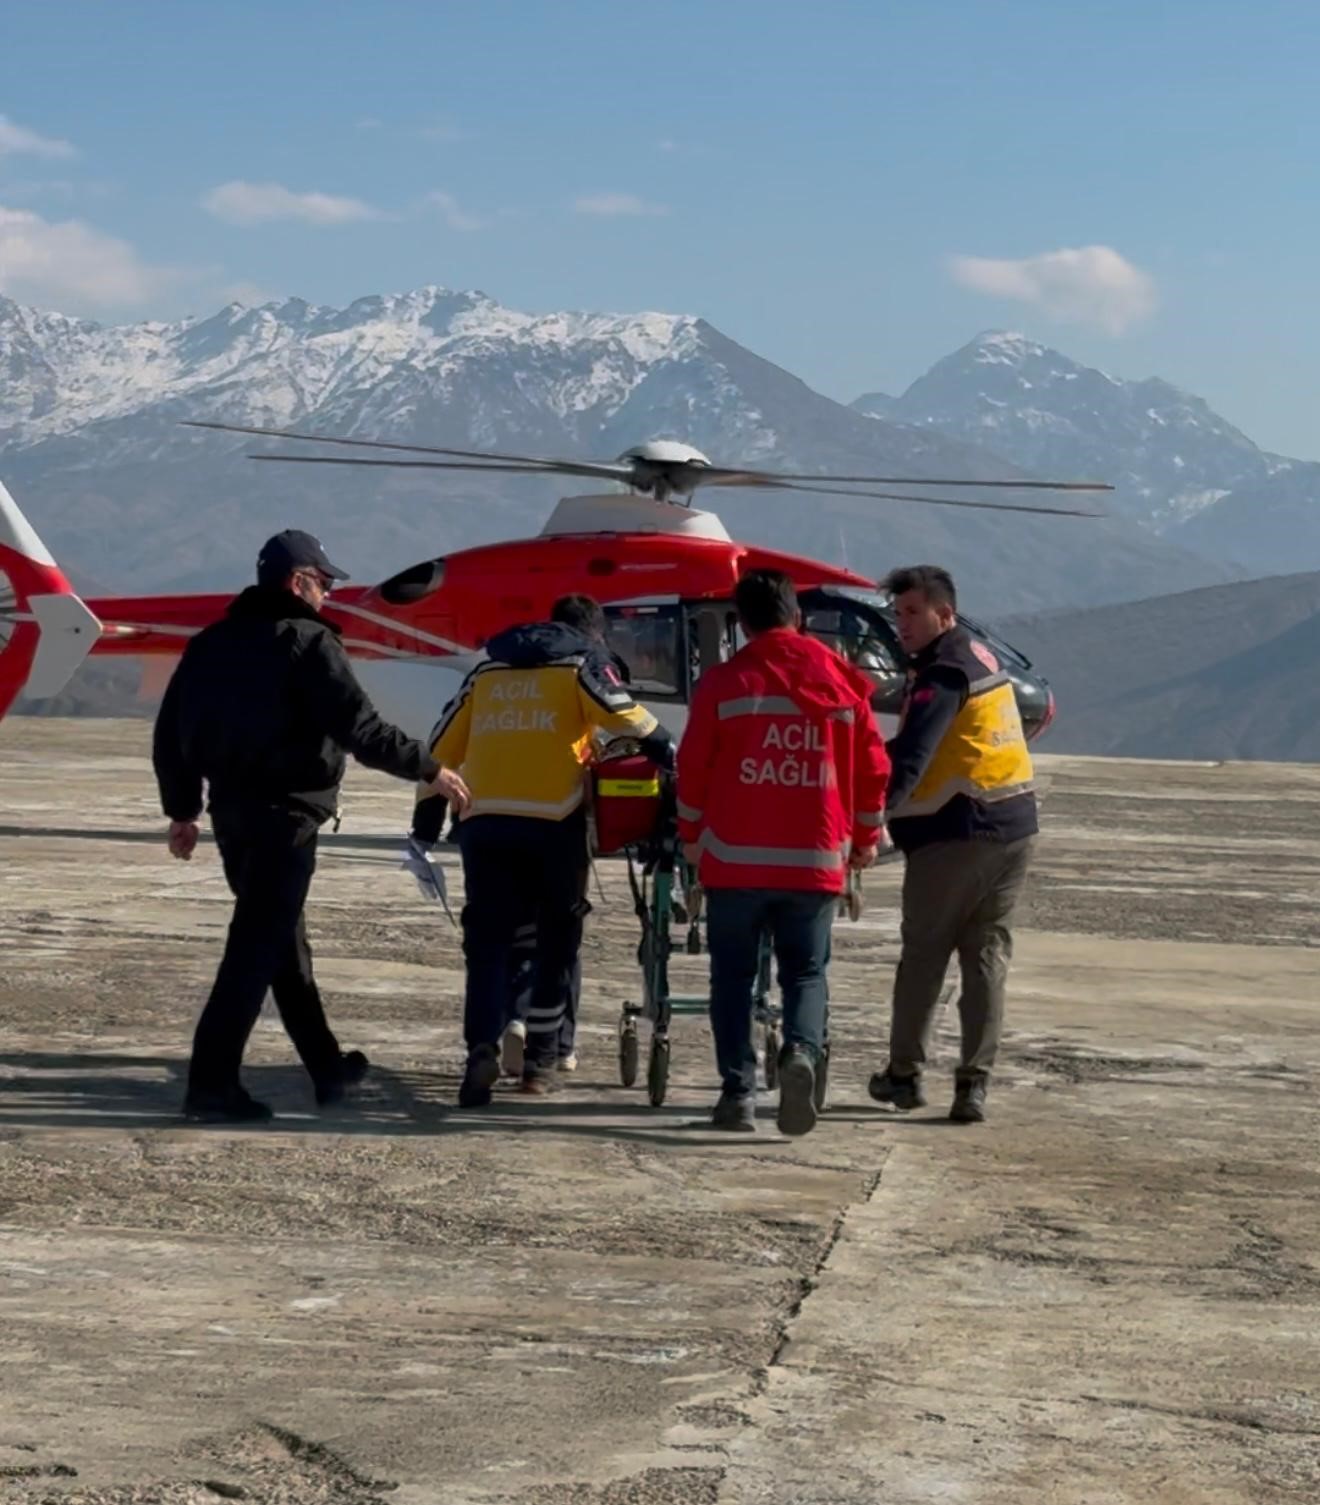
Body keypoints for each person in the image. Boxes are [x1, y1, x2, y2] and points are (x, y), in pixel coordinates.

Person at [152, 528, 469, 1124]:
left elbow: (170, 735)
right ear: (298, 582)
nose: (327, 594)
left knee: (281, 948)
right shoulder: (307, 643)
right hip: (286, 821)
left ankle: (327, 1067)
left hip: (234, 819)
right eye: (324, 582)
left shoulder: (210, 644)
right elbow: (362, 729)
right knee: (253, 951)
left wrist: (183, 811)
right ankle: (211, 1085)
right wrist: (431, 769)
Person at [427, 594, 674, 1105]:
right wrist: (669, 748)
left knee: (488, 942)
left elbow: (439, 745)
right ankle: (539, 1063)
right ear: (593, 632)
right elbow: (624, 713)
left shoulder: (488, 669)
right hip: (552, 820)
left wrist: (424, 823)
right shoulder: (583, 663)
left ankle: (480, 1048)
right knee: (556, 943)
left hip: (484, 819)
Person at [676, 569, 891, 1135]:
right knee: (805, 973)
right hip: (815, 861)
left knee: (732, 978)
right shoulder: (842, 681)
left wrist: (692, 837)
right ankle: (800, 1052)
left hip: (734, 861)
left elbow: (693, 769)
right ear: (796, 615)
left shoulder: (724, 683)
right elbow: (873, 768)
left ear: (742, 625)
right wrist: (866, 838)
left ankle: (737, 1094)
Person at [867, 564, 1038, 1125]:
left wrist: (866, 819)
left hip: (957, 830)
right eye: (897, 614)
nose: (902, 624)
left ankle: (903, 1075)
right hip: (1015, 828)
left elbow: (912, 757)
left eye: (913, 613)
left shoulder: (943, 673)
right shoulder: (981, 655)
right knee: (986, 957)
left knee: (924, 956)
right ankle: (973, 1085)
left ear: (945, 613)